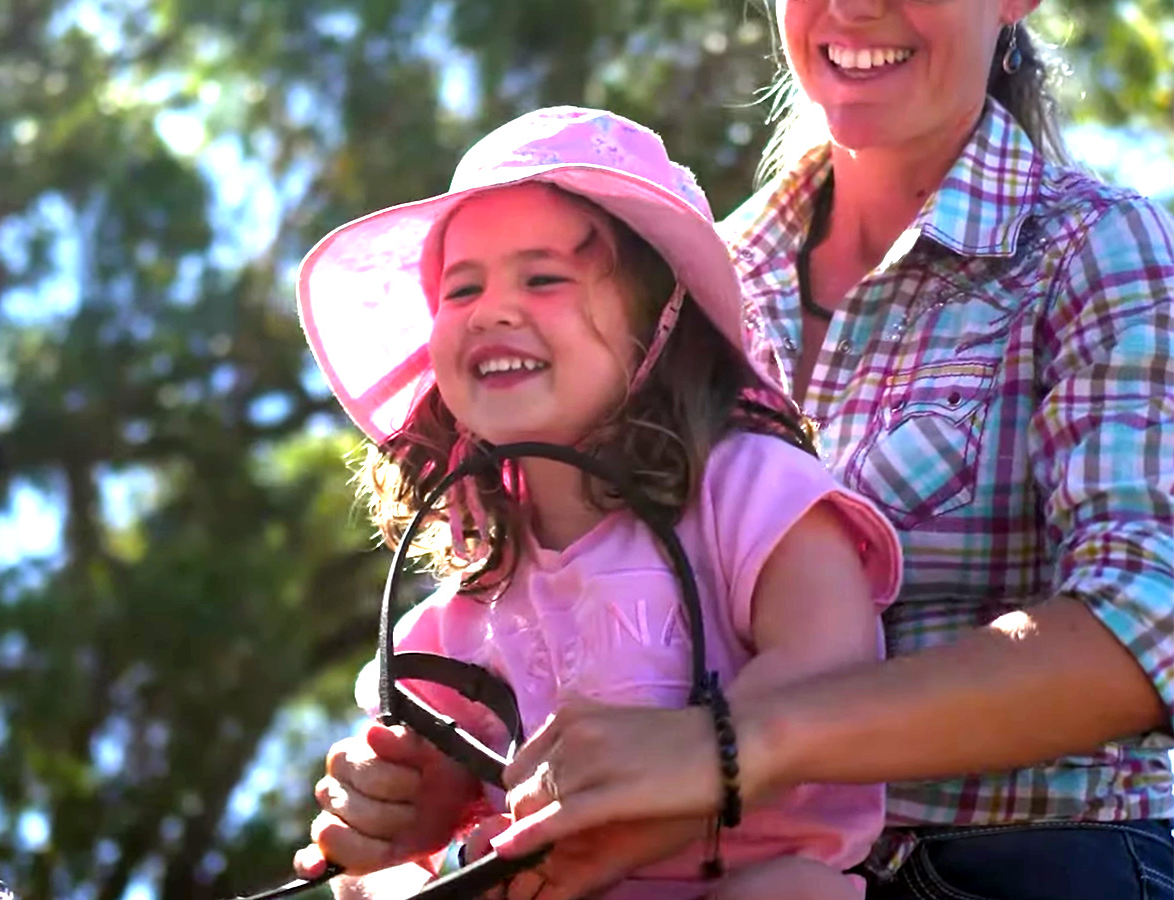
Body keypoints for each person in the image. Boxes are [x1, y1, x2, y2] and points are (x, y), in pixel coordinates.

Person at [478, 3, 1174, 900]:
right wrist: (455, 779)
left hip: (1036, 862)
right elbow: (582, 605)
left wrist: (739, 743)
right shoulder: (689, 292)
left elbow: (1146, 623)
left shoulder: (1103, 249)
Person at [290, 106, 904, 899]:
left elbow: (835, 679)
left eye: (543, 278)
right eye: (460, 288)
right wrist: (396, 810)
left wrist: (658, 798)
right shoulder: (468, 608)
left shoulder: (753, 492)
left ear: (661, 327)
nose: (490, 309)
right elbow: (440, 800)